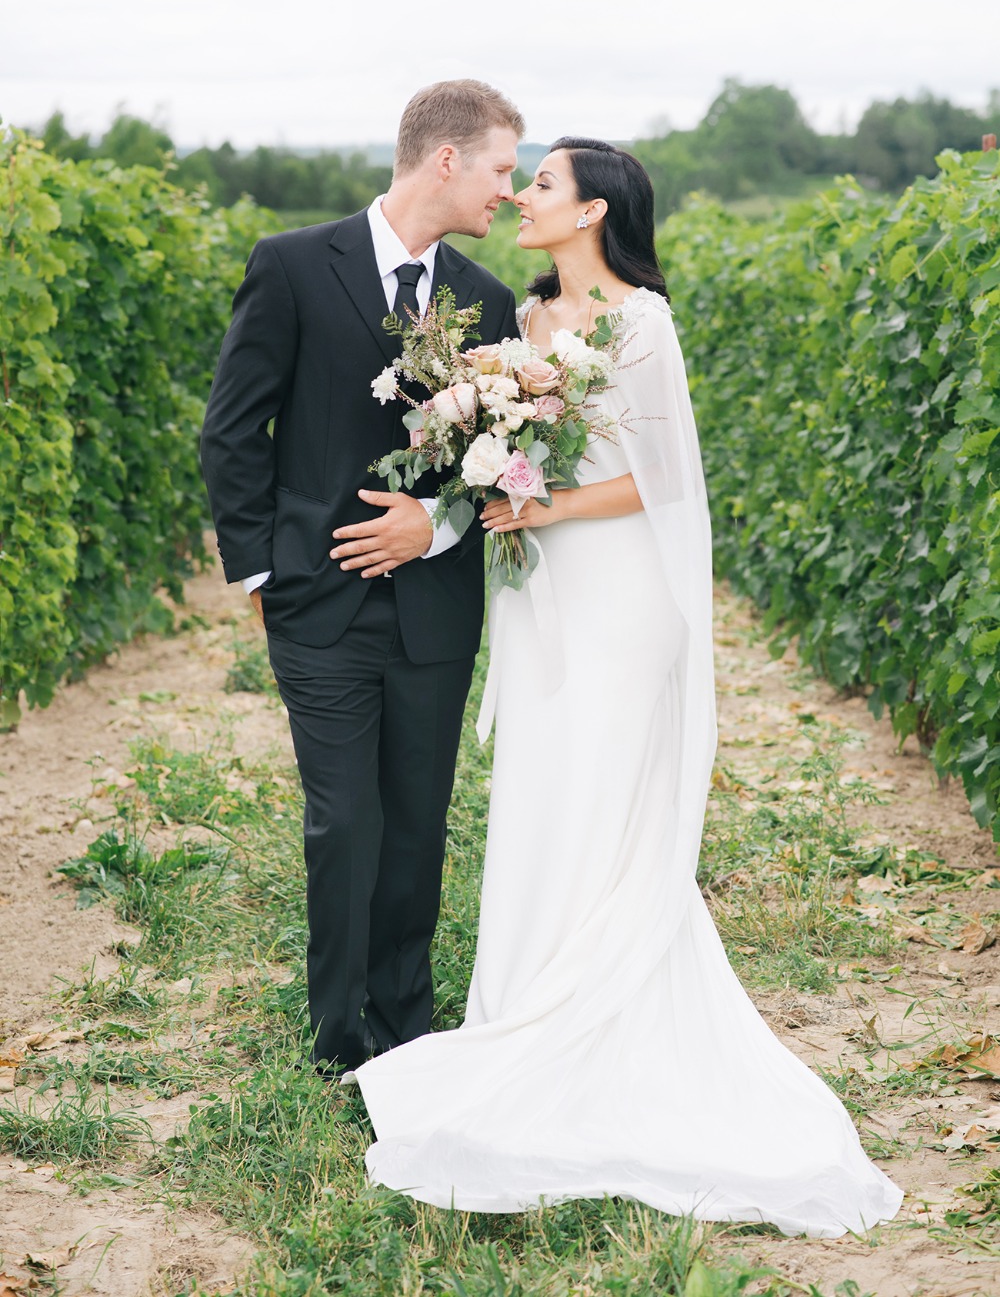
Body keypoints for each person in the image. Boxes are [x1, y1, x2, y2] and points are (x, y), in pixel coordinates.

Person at [348, 138, 904, 1237]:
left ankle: (589, 1016)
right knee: (544, 793)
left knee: (602, 795)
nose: (521, 198)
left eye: (541, 184)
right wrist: (486, 459)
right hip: (542, 593)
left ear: (593, 210)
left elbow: (662, 485)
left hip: (620, 601)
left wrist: (536, 503)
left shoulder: (641, 323)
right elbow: (516, 447)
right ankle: (521, 1005)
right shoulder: (527, 319)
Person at [200, 80, 525, 1072]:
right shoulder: (295, 265)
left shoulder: (490, 300)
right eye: (502, 169)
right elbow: (231, 430)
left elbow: (511, 467)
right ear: (445, 159)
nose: (506, 193)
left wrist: (431, 526)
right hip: (317, 601)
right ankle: (338, 1038)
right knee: (346, 822)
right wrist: (263, 574)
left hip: (433, 608)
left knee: (418, 821)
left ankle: (406, 1030)